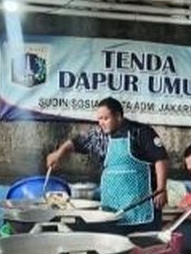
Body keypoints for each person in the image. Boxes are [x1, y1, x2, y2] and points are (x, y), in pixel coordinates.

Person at [45, 97, 168, 229]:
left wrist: (161, 189)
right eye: (99, 119)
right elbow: (76, 142)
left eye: (105, 118)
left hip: (140, 208)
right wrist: (59, 153)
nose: (101, 123)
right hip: (111, 206)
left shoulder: (140, 132)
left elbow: (160, 158)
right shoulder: (100, 136)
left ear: (118, 117)